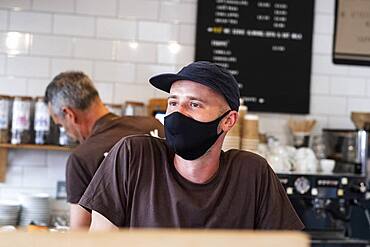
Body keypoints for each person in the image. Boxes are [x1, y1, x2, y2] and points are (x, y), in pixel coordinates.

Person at [79, 61, 304, 231]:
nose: (178, 113)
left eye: (194, 104)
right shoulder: (133, 156)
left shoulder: (252, 173)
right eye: (173, 102)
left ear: (228, 121)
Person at [44, 71, 164, 230]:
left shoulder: (82, 158)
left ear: (69, 114)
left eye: (61, 125)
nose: (67, 132)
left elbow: (80, 233)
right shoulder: (154, 126)